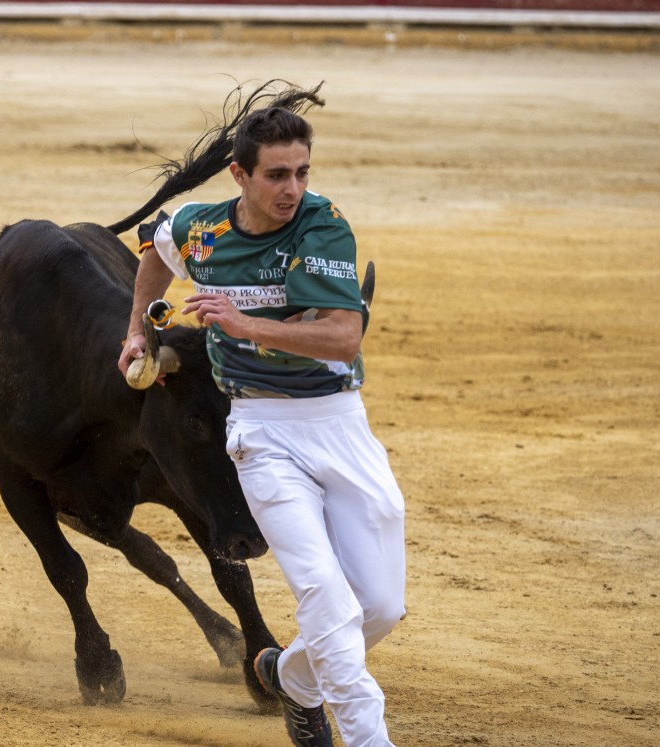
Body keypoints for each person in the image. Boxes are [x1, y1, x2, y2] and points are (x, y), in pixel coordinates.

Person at [117, 104, 406, 747]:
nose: (292, 190)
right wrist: (137, 328)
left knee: (381, 606)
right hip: (261, 430)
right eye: (276, 175)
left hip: (339, 423)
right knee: (326, 600)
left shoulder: (322, 227)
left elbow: (342, 337)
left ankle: (292, 677)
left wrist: (242, 324)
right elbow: (155, 249)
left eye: (302, 172)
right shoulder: (201, 229)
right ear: (238, 176)